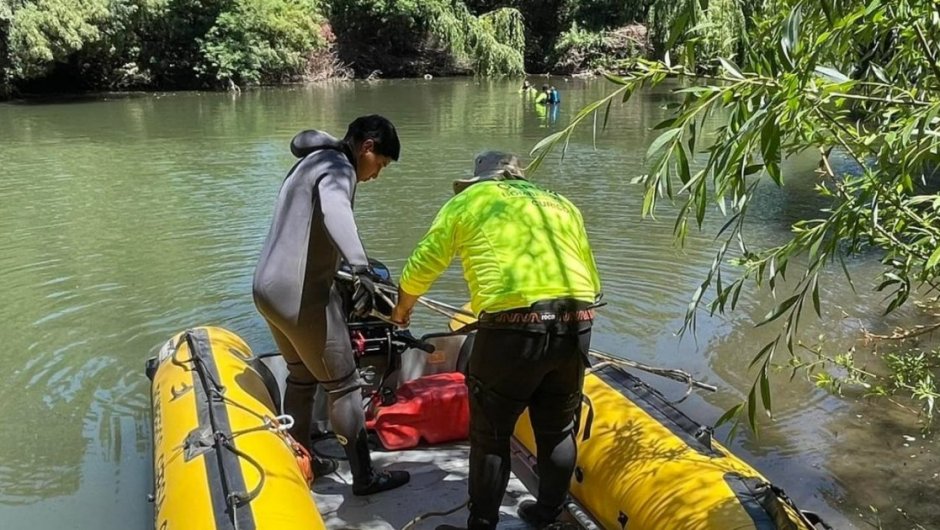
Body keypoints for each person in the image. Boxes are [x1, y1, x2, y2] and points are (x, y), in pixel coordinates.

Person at [391, 152, 602, 529]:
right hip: (577, 322)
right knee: (557, 430)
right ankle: (548, 516)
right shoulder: (561, 202)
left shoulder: (469, 201)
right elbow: (590, 274)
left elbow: (426, 259)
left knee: (491, 436)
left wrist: (402, 308)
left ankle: (483, 525)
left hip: (512, 328)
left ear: (480, 180)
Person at [252, 115, 410, 496]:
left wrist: (343, 268)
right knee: (344, 386)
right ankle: (365, 477)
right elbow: (336, 211)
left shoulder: (312, 160)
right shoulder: (339, 166)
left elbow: (309, 227)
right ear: (367, 147)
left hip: (266, 290)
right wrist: (360, 267)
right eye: (381, 165)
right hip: (301, 296)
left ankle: (303, 460)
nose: (376, 175)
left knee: (301, 378)